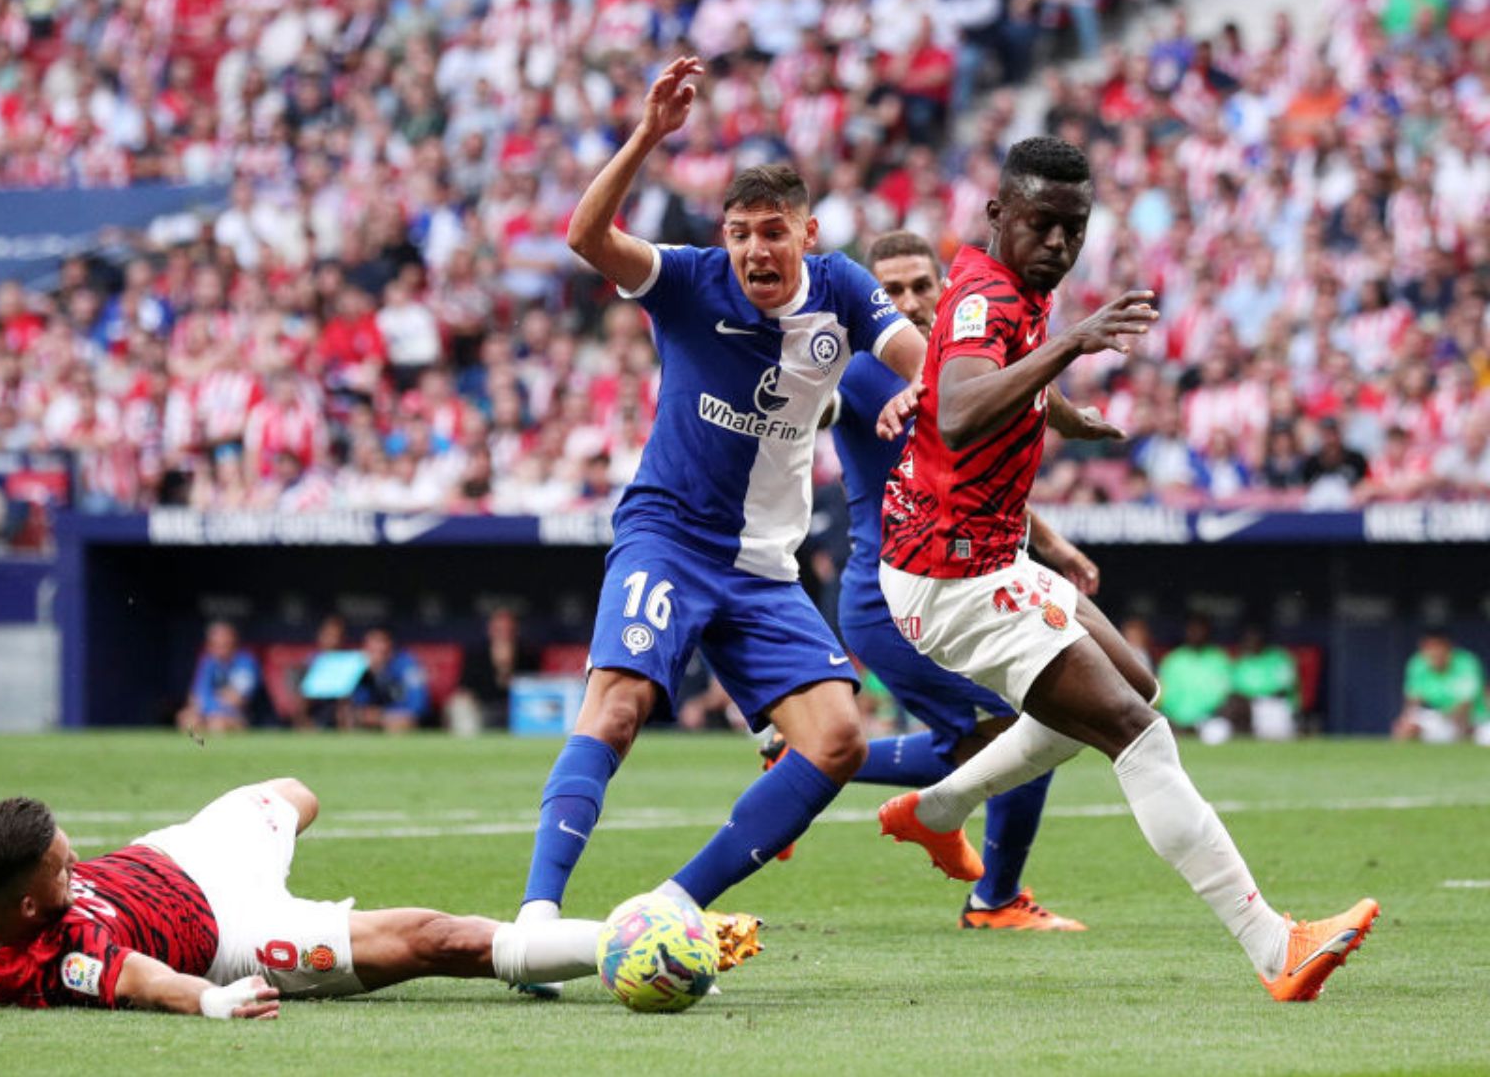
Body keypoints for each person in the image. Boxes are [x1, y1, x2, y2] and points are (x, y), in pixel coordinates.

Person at [873, 136, 1377, 1002]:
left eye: (1075, 228)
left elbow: (1010, 379)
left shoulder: (1015, 288)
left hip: (985, 558)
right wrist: (1070, 346)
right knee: (1139, 737)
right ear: (1000, 215)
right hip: (951, 576)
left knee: (1133, 689)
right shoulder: (984, 303)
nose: (1060, 245)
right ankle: (1275, 947)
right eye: (1043, 226)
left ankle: (938, 809)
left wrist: (1067, 419)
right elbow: (957, 411)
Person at [516, 55, 927, 990]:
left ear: (807, 235)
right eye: (739, 233)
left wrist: (923, 389)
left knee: (839, 740)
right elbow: (587, 234)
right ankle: (538, 921)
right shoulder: (690, 281)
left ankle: (668, 907)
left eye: (772, 233)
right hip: (667, 535)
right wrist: (650, 136)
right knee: (618, 707)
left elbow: (916, 349)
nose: (753, 251)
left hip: (764, 568)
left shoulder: (844, 291)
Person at [0, 779, 671, 1015]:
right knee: (434, 941)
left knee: (296, 796)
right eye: (60, 860)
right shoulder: (72, 937)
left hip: (186, 850)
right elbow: (139, 978)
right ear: (39, 902)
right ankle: (625, 944)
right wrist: (214, 997)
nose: (71, 857)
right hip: (234, 934)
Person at [816, 228, 1115, 929]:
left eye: (923, 285)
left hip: (949, 578)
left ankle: (810, 757)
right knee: (1028, 723)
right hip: (891, 597)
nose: (912, 302)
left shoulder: (958, 362)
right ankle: (997, 899)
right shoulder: (864, 372)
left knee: (993, 740)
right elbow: (817, 406)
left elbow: (975, 481)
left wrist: (1054, 543)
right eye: (890, 290)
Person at [449, 608, 541, 732]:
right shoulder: (476, 655)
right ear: (490, 630)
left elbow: (535, 689)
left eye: (508, 630)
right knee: (460, 703)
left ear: (516, 631)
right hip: (482, 708)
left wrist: (506, 668)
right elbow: (464, 687)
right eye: (499, 629)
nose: (503, 634)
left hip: (517, 710)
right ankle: (470, 748)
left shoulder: (528, 655)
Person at [1392, 631, 1488, 745]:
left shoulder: (1466, 662)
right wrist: (1406, 720)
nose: (1434, 653)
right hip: (1443, 718)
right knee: (1407, 729)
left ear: (1448, 648)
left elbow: (1466, 705)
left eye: (1438, 647)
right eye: (1429, 648)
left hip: (1476, 719)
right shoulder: (1418, 663)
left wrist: (1459, 730)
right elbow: (1413, 701)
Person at [1156, 614, 1236, 742]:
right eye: (1192, 629)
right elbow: (1161, 696)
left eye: (1200, 629)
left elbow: (1226, 696)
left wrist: (1201, 720)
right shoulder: (1173, 659)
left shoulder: (1219, 659)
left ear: (1208, 631)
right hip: (1173, 724)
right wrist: (1175, 721)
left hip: (1208, 724)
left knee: (1219, 731)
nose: (1196, 633)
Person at [175, 620, 260, 737]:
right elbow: (195, 697)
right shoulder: (208, 662)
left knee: (217, 724)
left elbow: (237, 700)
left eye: (225, 644)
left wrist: (210, 703)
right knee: (187, 720)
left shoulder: (245, 662)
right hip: (208, 713)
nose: (220, 649)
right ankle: (201, 750)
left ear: (234, 643)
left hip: (239, 717)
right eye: (215, 644)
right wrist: (211, 704)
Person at [344, 627, 430, 733]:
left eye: (381, 644)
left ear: (390, 646)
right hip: (371, 720)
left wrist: (383, 715)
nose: (378, 651)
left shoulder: (407, 664)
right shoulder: (360, 669)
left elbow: (418, 706)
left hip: (400, 718)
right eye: (372, 649)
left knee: (399, 724)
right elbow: (356, 704)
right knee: (347, 717)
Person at [1226, 624, 1299, 742]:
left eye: (1254, 637)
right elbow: (1234, 692)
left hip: (1273, 706)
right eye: (1248, 638)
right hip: (1247, 709)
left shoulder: (1279, 658)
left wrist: (1256, 698)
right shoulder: (1241, 662)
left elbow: (1282, 691)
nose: (1251, 641)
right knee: (1232, 708)